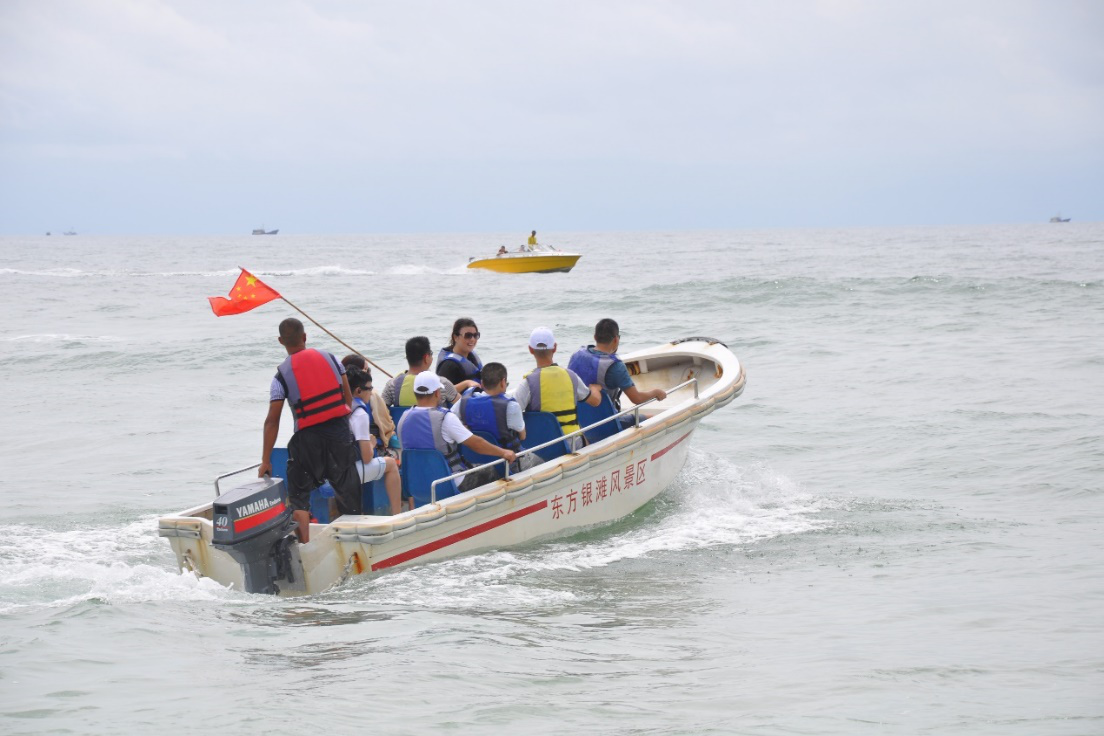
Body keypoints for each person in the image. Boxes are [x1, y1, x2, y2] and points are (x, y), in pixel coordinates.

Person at [260, 318, 361, 543]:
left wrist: (265, 460)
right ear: (305, 337)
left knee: (299, 497)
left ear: (280, 341)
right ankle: (353, 541)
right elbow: (348, 399)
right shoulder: (332, 359)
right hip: (339, 434)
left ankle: (304, 546)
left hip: (307, 441)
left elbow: (272, 421)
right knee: (348, 493)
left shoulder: (280, 378)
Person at [397, 372, 516, 494]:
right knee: (491, 471)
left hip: (417, 485)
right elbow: (477, 444)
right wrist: (504, 452)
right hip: (448, 483)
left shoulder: (403, 419)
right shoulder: (445, 418)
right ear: (437, 393)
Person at [513, 327, 601, 449]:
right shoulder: (571, 376)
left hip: (544, 447)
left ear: (530, 350)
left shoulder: (528, 383)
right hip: (573, 443)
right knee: (585, 437)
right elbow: (595, 401)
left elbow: (512, 413)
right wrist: (595, 389)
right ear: (554, 348)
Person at [568, 318, 667, 413]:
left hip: (577, 418)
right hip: (606, 420)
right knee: (650, 418)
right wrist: (656, 393)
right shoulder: (616, 366)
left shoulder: (577, 355)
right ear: (616, 339)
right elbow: (637, 398)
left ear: (595, 337)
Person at [452, 362, 537, 472]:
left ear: (482, 383)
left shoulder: (463, 402)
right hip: (507, 462)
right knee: (539, 461)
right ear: (503, 382)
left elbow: (451, 423)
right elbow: (522, 436)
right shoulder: (511, 406)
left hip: (475, 461)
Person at [346, 366, 404, 515]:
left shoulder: (342, 406)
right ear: (359, 391)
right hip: (348, 473)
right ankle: (397, 514)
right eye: (369, 388)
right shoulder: (360, 414)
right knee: (391, 464)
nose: (371, 392)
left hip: (335, 467)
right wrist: (371, 444)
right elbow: (367, 458)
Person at [383, 336, 469, 408]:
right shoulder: (441, 384)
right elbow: (463, 408)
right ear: (426, 358)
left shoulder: (392, 385)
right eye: (431, 353)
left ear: (407, 357)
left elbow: (380, 410)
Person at [341, 354, 395, 450]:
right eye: (365, 369)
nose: (368, 372)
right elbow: (386, 426)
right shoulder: (371, 398)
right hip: (370, 446)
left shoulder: (336, 397)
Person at [436, 318, 483, 387]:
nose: (473, 339)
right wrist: (466, 384)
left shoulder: (472, 357)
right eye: (468, 336)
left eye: (475, 335)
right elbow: (442, 391)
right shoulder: (448, 365)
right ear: (455, 337)